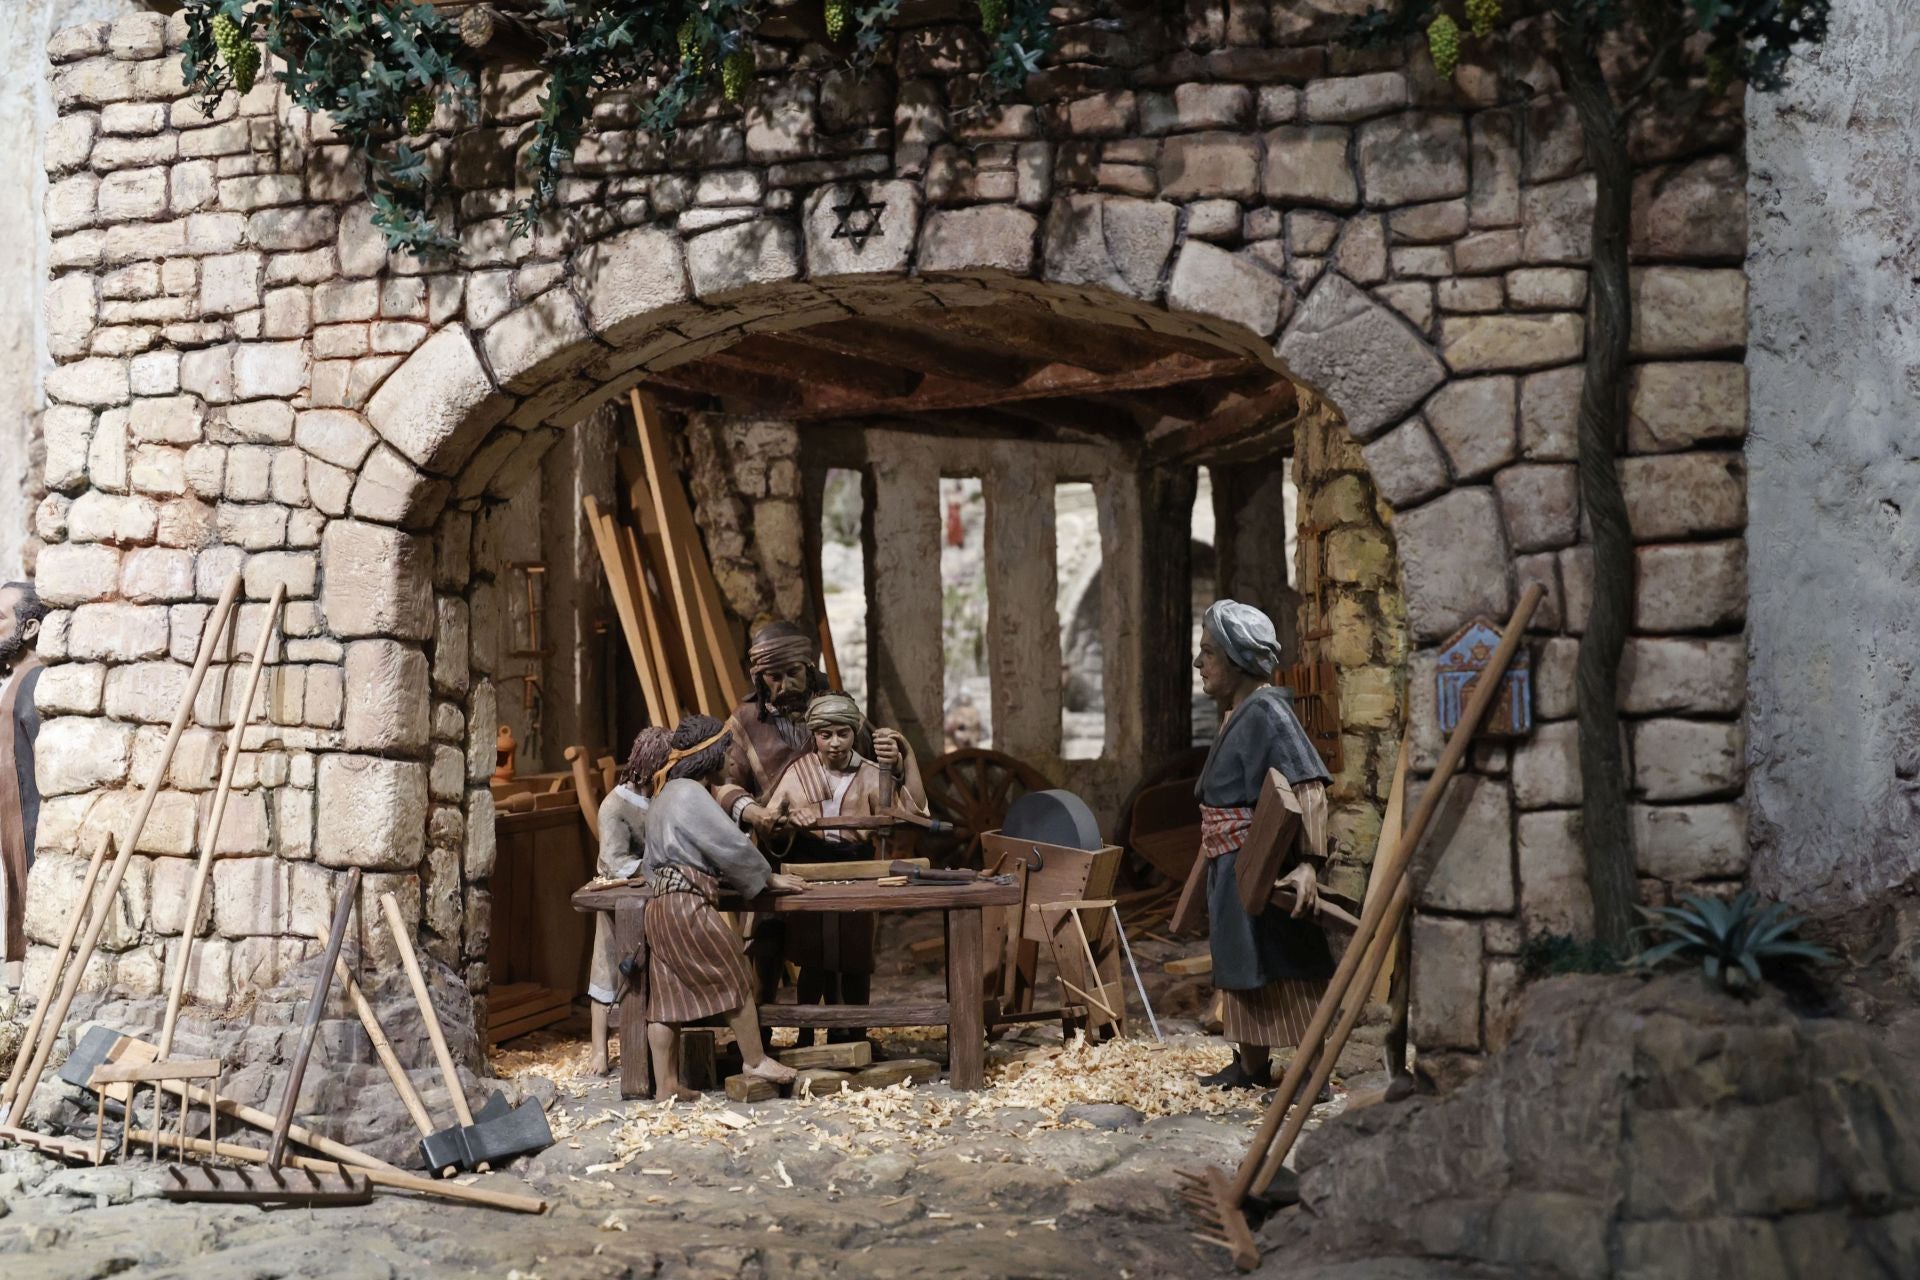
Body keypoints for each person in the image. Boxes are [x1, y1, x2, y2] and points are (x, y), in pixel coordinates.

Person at [1192, 599, 1334, 1091]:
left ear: (1235, 660)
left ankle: (1313, 1073)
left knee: (1283, 965)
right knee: (1242, 968)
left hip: (1262, 863)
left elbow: (1309, 785)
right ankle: (1251, 1066)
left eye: (1208, 652)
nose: (1199, 663)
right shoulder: (1242, 712)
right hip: (1232, 866)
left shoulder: (1269, 712)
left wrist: (1309, 866)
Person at [640, 714, 809, 1100]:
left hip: (661, 906)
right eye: (727, 752)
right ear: (711, 754)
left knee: (665, 1000)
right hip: (687, 905)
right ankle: (754, 1059)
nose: (731, 760)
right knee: (735, 975)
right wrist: (766, 877)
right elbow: (728, 845)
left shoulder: (664, 794)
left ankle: (665, 1084)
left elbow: (649, 861)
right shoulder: (690, 794)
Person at [763, 692, 927, 1041]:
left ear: (854, 733)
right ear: (814, 736)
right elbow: (768, 824)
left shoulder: (871, 773)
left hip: (857, 869)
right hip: (810, 870)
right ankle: (806, 1035)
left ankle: (853, 1034)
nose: (834, 743)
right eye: (825, 735)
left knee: (854, 953)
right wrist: (789, 817)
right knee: (811, 953)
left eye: (843, 733)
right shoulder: (799, 772)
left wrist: (905, 759)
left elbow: (913, 812)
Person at [586, 726, 671, 1077]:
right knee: (607, 967)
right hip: (620, 896)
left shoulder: (656, 798)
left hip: (651, 897)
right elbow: (614, 860)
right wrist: (654, 869)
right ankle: (598, 1051)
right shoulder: (616, 806)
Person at [0, 582, 47, 991]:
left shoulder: (33, 681)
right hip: (9, 817)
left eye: (1, 619)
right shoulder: (14, 681)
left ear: (28, 628)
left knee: (27, 890)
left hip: (26, 814)